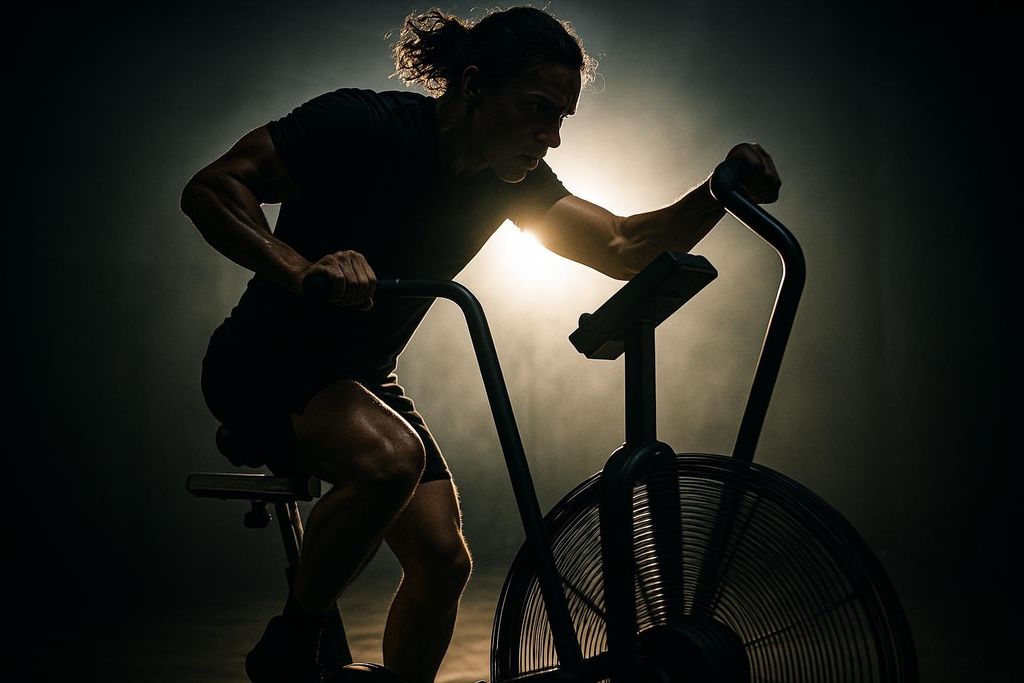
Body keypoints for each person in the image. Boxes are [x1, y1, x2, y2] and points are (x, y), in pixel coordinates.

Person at [181, 6, 780, 683]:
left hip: (361, 379)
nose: (551, 136)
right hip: (262, 364)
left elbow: (623, 247)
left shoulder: (505, 182)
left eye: (562, 119)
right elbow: (213, 187)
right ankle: (290, 643)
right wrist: (300, 269)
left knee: (443, 561)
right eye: (537, 109)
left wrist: (718, 193)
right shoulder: (363, 126)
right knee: (390, 459)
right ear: (473, 87)